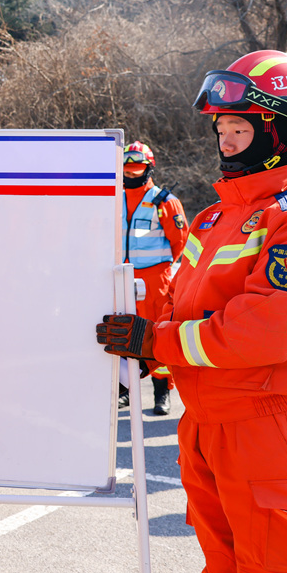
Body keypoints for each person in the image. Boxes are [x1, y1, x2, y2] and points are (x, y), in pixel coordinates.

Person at [97, 50, 287, 573]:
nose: (226, 142)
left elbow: (259, 333)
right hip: (203, 422)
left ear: (279, 131)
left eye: (239, 128)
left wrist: (156, 341)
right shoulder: (213, 218)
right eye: (221, 129)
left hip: (270, 429)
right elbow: (178, 303)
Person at [119, 140, 188, 415]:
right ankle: (124, 389)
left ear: (149, 168)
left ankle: (162, 392)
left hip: (154, 277)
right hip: (120, 275)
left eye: (137, 167)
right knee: (122, 330)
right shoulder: (112, 198)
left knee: (156, 333)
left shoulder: (165, 202)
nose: (131, 172)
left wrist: (162, 267)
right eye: (127, 167)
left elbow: (179, 239)